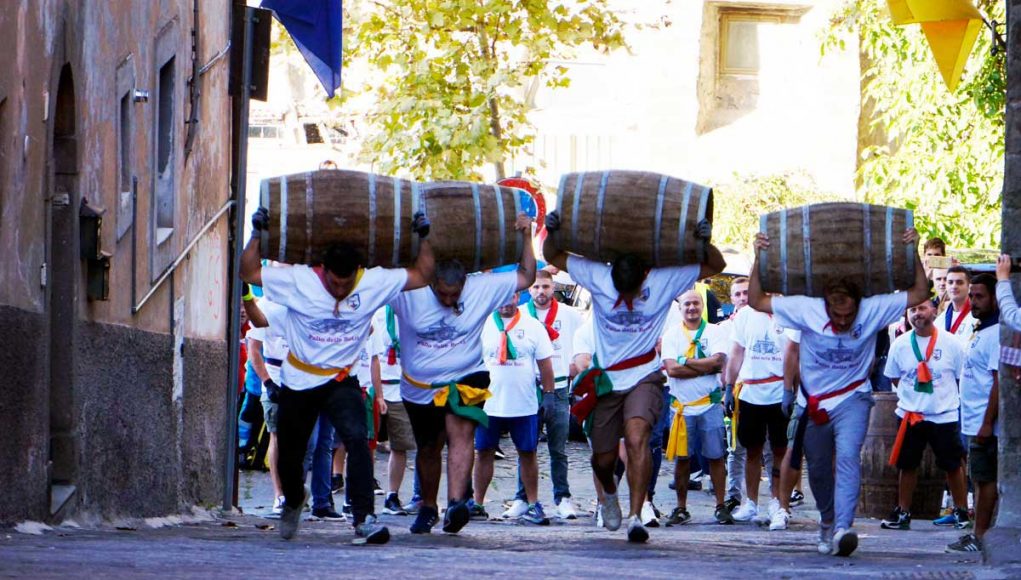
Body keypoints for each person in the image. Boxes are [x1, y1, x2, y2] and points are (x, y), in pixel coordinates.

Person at [240, 207, 435, 544]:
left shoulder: (374, 282)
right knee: (288, 454)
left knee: (358, 441)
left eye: (347, 283)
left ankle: (363, 519)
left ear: (358, 272)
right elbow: (247, 270)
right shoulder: (300, 281)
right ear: (323, 270)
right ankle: (293, 500)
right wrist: (257, 233)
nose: (340, 290)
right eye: (334, 282)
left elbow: (423, 274)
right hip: (299, 379)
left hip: (341, 379)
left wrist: (424, 236)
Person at [544, 210, 725, 543]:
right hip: (608, 380)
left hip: (644, 375)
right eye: (620, 293)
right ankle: (609, 494)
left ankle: (635, 516)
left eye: (632, 292)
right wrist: (553, 229)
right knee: (603, 457)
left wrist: (704, 238)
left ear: (644, 276)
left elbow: (715, 265)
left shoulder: (660, 281)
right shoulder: (598, 276)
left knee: (638, 437)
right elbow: (554, 256)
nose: (625, 300)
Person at [747, 227, 930, 557]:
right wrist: (758, 257)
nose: (844, 321)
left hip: (853, 397)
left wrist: (913, 250)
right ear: (824, 304)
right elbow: (756, 300)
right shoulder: (805, 308)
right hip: (813, 402)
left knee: (847, 458)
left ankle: (845, 527)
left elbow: (919, 292)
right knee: (816, 468)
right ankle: (827, 521)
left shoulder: (874, 308)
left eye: (850, 315)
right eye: (837, 314)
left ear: (859, 304)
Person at [392, 213, 535, 535]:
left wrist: (528, 236)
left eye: (454, 296)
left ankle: (457, 502)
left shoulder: (482, 287)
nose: (448, 300)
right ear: (429, 281)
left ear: (465, 285)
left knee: (461, 432)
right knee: (428, 447)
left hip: (466, 375)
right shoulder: (407, 289)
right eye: (441, 294)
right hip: (418, 385)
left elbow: (526, 276)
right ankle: (429, 507)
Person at [880, 297, 969, 532]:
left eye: (922, 308)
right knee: (907, 465)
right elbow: (894, 376)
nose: (917, 313)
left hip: (944, 414)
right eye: (913, 309)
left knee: (952, 464)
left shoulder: (952, 343)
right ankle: (903, 512)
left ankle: (960, 511)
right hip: (911, 414)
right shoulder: (900, 344)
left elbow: (961, 378)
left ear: (933, 310)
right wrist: (914, 397)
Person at [502, 270, 583, 520]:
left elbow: (583, 343)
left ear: (553, 287)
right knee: (526, 447)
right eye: (536, 287)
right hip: (528, 388)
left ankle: (563, 497)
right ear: (529, 289)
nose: (541, 292)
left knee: (559, 448)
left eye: (546, 287)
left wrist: (576, 366)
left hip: (558, 388)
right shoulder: (521, 314)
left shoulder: (571, 315)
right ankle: (521, 498)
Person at [473, 292, 556, 525]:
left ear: (517, 297)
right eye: (500, 299)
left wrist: (548, 395)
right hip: (489, 403)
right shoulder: (483, 323)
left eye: (510, 298)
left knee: (528, 452)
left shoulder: (533, 326)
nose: (506, 304)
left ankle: (533, 504)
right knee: (483, 452)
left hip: (523, 403)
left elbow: (545, 364)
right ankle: (477, 503)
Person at [661, 290, 731, 527]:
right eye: (687, 304)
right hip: (681, 408)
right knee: (683, 459)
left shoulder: (715, 331)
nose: (691, 308)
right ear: (680, 308)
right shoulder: (671, 334)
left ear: (703, 306)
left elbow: (720, 362)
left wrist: (685, 362)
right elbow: (671, 370)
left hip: (709, 404)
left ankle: (721, 506)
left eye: (696, 303)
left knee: (716, 456)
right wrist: (705, 366)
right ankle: (681, 507)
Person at [725, 289, 792, 530]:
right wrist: (729, 385)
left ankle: (778, 502)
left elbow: (795, 354)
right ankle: (750, 501)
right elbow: (736, 352)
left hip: (779, 390)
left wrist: (790, 389)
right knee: (751, 449)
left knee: (780, 451)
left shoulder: (788, 312)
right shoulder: (745, 315)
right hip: (751, 392)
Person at [946, 273, 1000, 552]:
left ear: (994, 298)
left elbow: (998, 382)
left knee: (984, 480)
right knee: (978, 479)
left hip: (983, 421)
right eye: (973, 296)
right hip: (971, 418)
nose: (974, 301)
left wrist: (987, 423)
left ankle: (980, 536)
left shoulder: (996, 335)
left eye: (980, 296)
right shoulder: (979, 329)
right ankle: (979, 534)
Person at [242, 292, 289, 517]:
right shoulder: (265, 306)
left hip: (301, 381)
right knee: (277, 436)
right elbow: (254, 350)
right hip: (276, 380)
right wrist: (268, 382)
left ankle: (295, 491)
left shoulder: (302, 301)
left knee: (304, 440)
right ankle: (279, 495)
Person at [374, 305, 416, 516]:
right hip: (374, 386)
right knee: (364, 443)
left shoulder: (412, 313)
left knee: (400, 446)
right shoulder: (374, 311)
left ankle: (392, 495)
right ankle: (356, 495)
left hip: (402, 388)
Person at [942, 267, 975, 337]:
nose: (954, 286)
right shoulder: (940, 319)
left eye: (959, 283)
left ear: (969, 286)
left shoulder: (976, 317)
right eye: (950, 282)